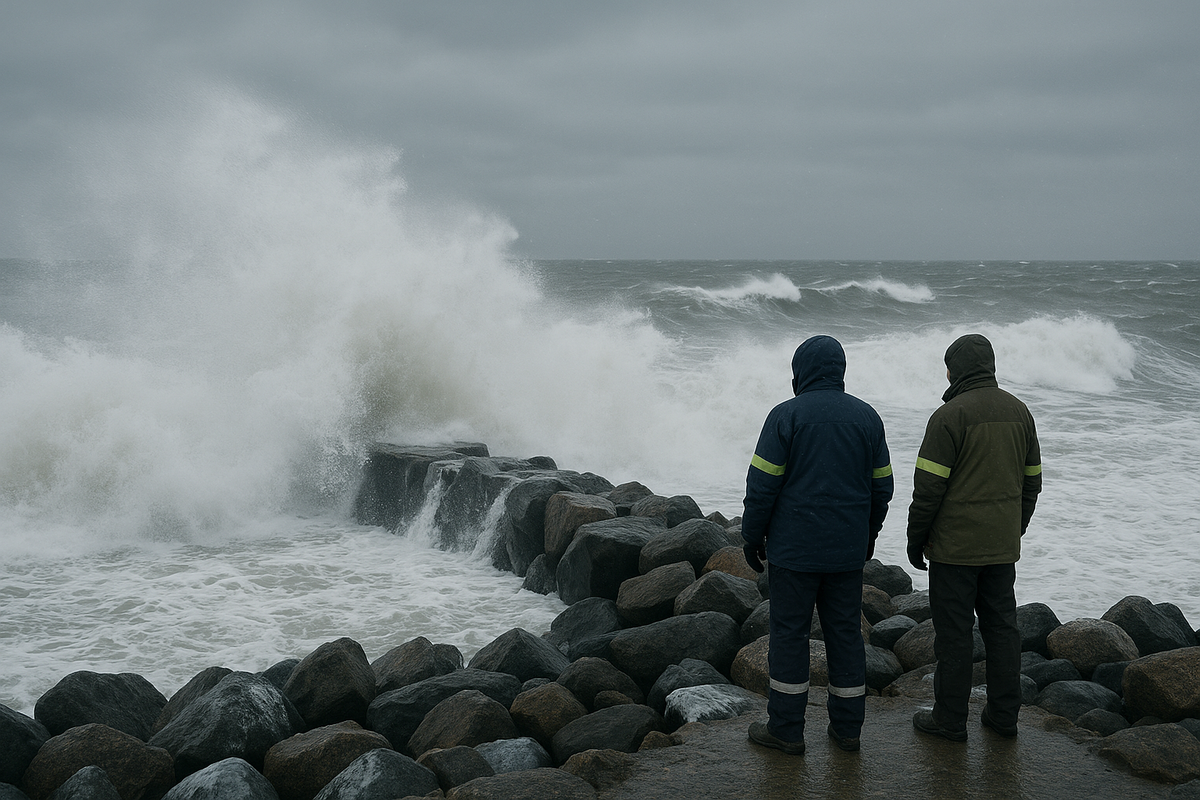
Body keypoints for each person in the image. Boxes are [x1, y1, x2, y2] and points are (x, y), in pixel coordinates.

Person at [741, 334, 893, 755]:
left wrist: (752, 536)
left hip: (794, 553)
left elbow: (762, 487)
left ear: (800, 373)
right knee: (846, 635)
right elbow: (883, 488)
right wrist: (869, 534)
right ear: (839, 370)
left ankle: (786, 730)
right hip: (846, 552)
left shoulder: (785, 416)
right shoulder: (867, 418)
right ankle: (847, 730)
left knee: (789, 636)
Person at [907, 333, 1042, 741]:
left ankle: (949, 720)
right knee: (1003, 630)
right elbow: (1032, 481)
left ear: (955, 370)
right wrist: (1014, 526)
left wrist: (916, 539)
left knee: (954, 635)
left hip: (954, 551)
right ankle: (1003, 717)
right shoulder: (1020, 412)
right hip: (1001, 548)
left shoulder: (948, 417)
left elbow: (928, 490)